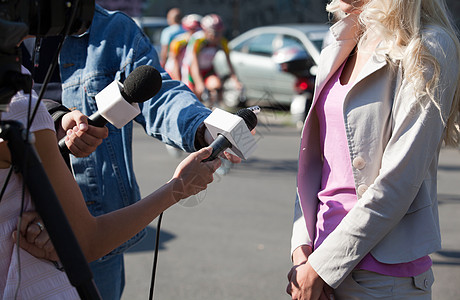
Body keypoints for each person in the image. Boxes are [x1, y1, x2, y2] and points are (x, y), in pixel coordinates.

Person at [21, 4, 241, 299]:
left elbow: (157, 93)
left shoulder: (112, 30)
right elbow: (17, 108)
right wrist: (55, 122)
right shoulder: (9, 28)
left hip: (97, 233)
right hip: (19, 228)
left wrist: (201, 128)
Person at [286, 0, 460, 299]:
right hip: (316, 263)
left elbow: (399, 180)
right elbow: (316, 164)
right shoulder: (342, 42)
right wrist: (301, 249)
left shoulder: (427, 45)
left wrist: (321, 267)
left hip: (382, 280)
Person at [0, 72, 220, 298]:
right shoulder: (17, 106)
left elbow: (158, 88)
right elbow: (88, 241)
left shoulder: (20, 101)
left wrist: (55, 118)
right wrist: (178, 187)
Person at [187, 14, 241, 106]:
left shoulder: (222, 41)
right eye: (215, 33)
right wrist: (199, 83)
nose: (218, 36)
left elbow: (229, 63)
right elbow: (193, 64)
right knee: (195, 95)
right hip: (192, 70)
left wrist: (235, 80)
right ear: (206, 31)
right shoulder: (198, 41)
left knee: (216, 86)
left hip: (208, 69)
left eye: (220, 33)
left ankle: (215, 109)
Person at [164, 14, 202, 81]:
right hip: (175, 70)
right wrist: (178, 81)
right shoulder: (178, 42)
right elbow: (173, 63)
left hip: (187, 70)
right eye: (192, 29)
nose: (196, 32)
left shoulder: (200, 41)